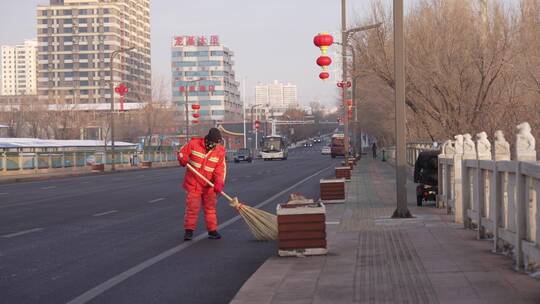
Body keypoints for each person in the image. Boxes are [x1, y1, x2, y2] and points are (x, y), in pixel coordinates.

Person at [177, 128, 226, 241]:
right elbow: (182, 153)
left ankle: (212, 231)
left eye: (216, 143)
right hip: (194, 183)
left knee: (210, 208)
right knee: (192, 208)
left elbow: (220, 169)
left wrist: (219, 183)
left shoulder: (219, 151)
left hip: (209, 186)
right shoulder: (194, 144)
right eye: (213, 142)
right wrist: (182, 158)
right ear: (208, 140)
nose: (214, 145)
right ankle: (189, 231)